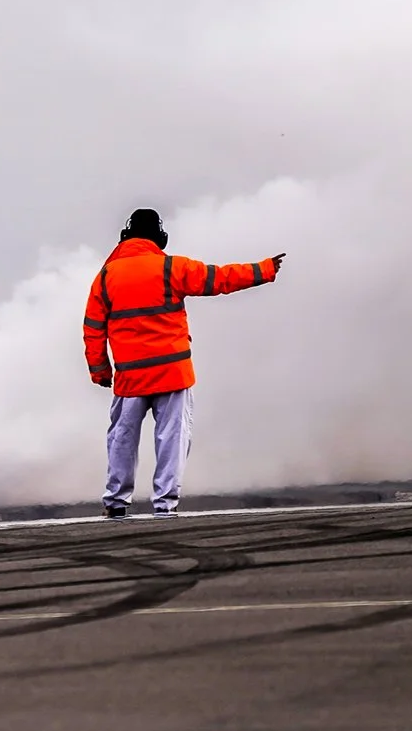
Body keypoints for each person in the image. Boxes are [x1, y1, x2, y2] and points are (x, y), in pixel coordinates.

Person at [82, 208, 284, 517]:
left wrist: (100, 370)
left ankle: (116, 501)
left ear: (126, 235)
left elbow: (93, 327)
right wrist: (264, 269)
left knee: (122, 438)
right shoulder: (171, 267)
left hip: (130, 377)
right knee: (172, 439)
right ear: (159, 236)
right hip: (172, 373)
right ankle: (165, 503)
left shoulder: (106, 276)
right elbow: (221, 278)